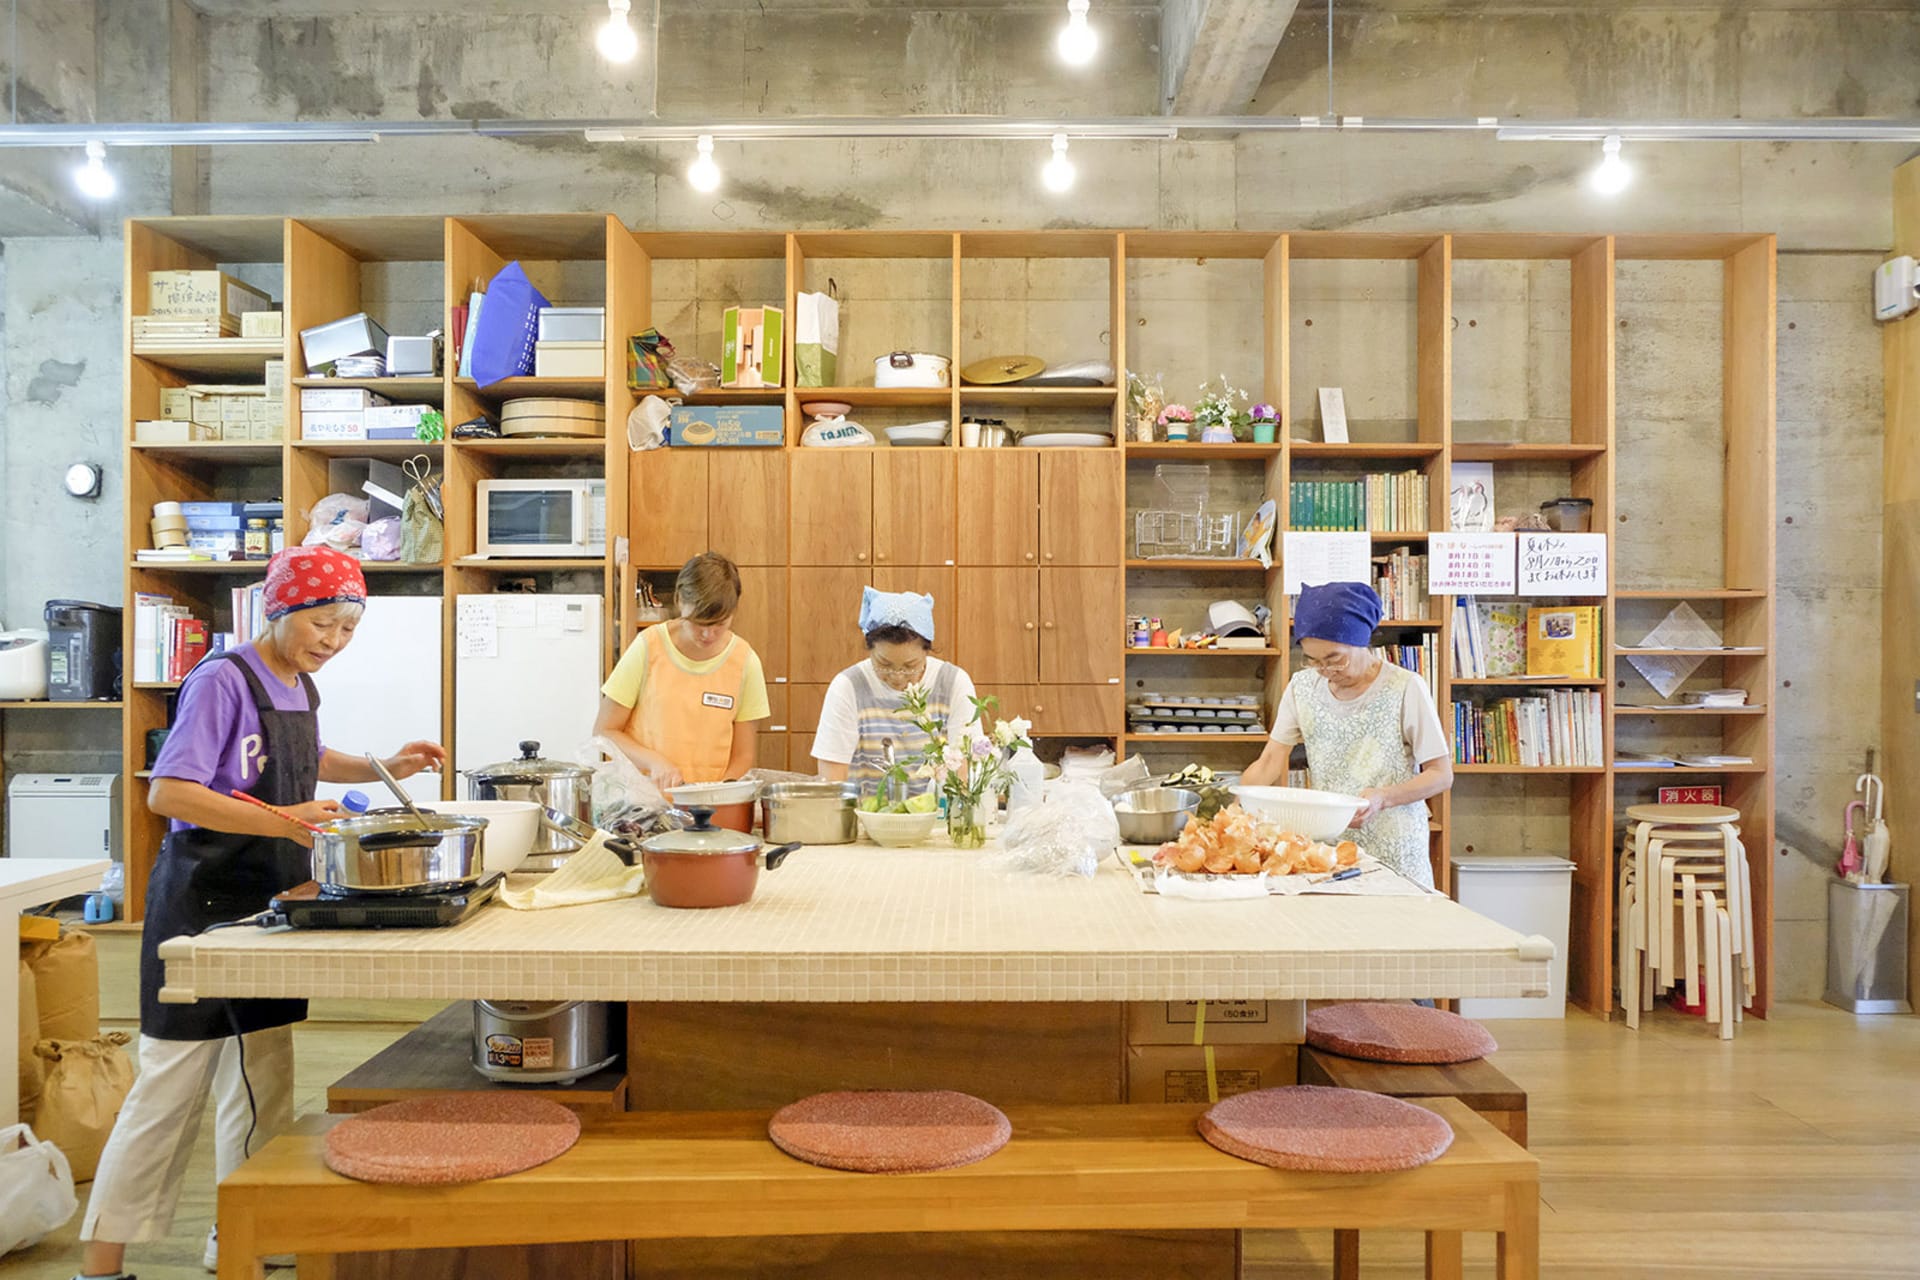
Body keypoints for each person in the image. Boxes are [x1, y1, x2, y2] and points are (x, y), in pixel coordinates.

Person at [78, 547, 445, 1280]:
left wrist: (387, 766)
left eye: (346, 629)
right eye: (321, 623)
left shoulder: (298, 682)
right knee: (169, 1089)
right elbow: (170, 794)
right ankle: (100, 1264)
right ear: (278, 608)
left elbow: (308, 755)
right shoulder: (222, 678)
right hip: (204, 908)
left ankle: (243, 1234)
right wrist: (284, 821)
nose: (332, 642)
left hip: (269, 906)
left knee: (263, 1080)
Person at [1241, 580, 1453, 888]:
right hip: (1327, 852)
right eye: (1313, 660)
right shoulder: (1302, 688)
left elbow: (1441, 774)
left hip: (1395, 851)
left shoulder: (1404, 687)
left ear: (1361, 640)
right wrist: (1236, 804)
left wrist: (1383, 798)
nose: (1325, 669)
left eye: (1334, 658)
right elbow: (1270, 761)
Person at [595, 551, 769, 788]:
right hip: (644, 806)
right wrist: (654, 762)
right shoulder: (648, 646)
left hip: (708, 812)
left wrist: (719, 795)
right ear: (679, 600)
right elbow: (605, 731)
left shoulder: (745, 661)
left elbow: (743, 756)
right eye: (698, 623)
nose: (708, 634)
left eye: (720, 623)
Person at [810, 587, 979, 790]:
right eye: (884, 664)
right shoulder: (848, 686)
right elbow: (832, 777)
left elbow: (965, 766)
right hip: (865, 816)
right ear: (869, 650)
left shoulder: (953, 683)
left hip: (938, 817)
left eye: (910, 666)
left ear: (927, 651)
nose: (897, 677)